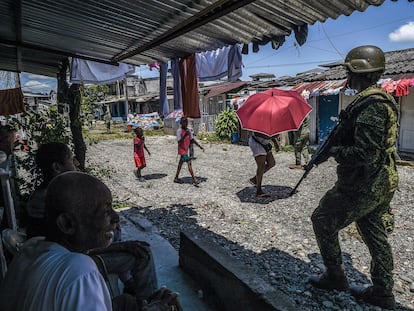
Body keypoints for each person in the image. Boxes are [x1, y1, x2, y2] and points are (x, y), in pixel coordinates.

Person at [0, 172, 181, 311]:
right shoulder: (80, 270)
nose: (116, 217)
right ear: (67, 223)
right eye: (105, 211)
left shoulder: (32, 247)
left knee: (127, 302)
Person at [308, 46, 399, 310]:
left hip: (365, 183)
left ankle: (335, 276)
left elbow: (365, 153)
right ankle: (383, 291)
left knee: (322, 219)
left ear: (358, 72)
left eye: (349, 71)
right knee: (373, 232)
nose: (347, 77)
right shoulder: (376, 98)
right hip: (381, 180)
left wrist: (335, 151)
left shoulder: (372, 105)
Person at [25, 142, 78, 238]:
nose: (76, 163)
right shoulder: (54, 199)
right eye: (71, 160)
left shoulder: (41, 195)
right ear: (57, 167)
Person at [248, 132, 280, 197]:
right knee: (261, 166)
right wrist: (271, 136)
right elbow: (257, 134)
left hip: (265, 143)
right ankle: (258, 191)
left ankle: (255, 179)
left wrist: (275, 141)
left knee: (271, 163)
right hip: (256, 142)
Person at [174, 117, 204, 186]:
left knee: (180, 164)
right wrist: (184, 135)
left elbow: (192, 140)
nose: (186, 123)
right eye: (184, 122)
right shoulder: (179, 131)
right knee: (189, 163)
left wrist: (199, 146)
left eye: (186, 122)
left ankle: (176, 177)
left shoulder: (189, 131)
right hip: (182, 150)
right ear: (181, 123)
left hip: (186, 150)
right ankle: (194, 179)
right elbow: (179, 141)